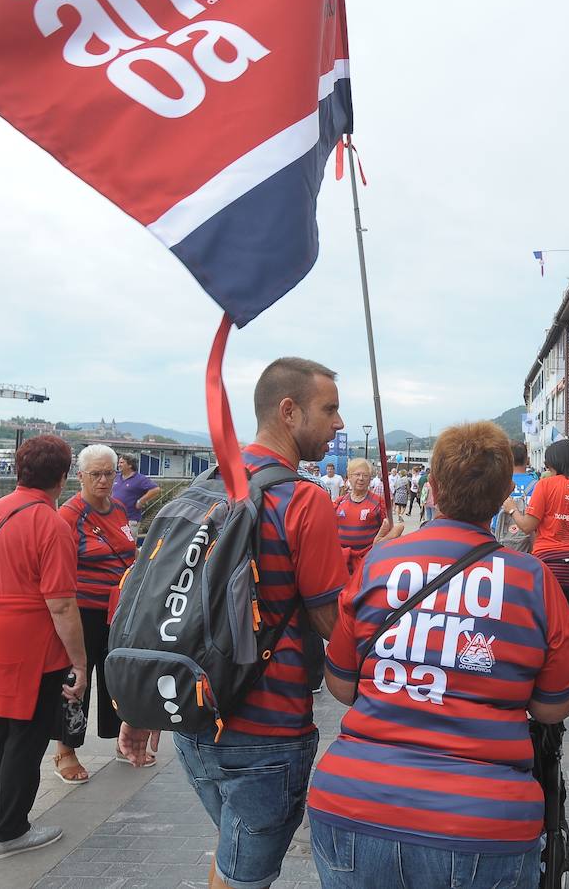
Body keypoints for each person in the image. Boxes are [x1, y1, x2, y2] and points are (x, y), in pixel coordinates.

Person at [307, 421, 569, 889]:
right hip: (484, 819)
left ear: (432, 489)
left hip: (353, 801)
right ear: (503, 495)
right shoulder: (532, 580)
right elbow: (554, 704)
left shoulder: (380, 563)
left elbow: (341, 685)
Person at [118, 357, 349, 889]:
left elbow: (162, 597)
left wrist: (145, 703)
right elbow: (328, 619)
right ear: (288, 411)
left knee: (232, 855)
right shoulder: (302, 499)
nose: (339, 424)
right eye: (330, 409)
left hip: (195, 719)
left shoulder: (211, 483)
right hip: (266, 732)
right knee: (244, 873)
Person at [0, 434, 87, 860]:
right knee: (28, 734)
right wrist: (80, 663)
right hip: (31, 638)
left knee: (1, 726)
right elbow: (62, 604)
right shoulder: (51, 524)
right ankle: (11, 830)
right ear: (64, 476)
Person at [51, 444, 139, 783]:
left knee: (118, 676)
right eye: (96, 474)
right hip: (83, 609)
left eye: (109, 473)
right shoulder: (69, 515)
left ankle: (123, 739)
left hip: (117, 610)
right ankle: (66, 750)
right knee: (77, 681)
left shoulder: (118, 509)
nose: (103, 481)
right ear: (80, 477)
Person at [500, 439, 569, 667]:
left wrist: (512, 510)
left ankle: (548, 682)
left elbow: (527, 526)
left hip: (549, 566)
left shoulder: (545, 486)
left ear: (552, 463)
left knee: (545, 627)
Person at [333, 457, 392, 584]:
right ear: (349, 477)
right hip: (342, 561)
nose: (361, 478)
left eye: (365, 475)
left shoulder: (378, 502)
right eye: (357, 474)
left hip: (367, 562)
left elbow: (390, 531)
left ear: (370, 478)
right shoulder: (339, 502)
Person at [493, 440, 537, 541]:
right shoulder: (538, 485)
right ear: (527, 460)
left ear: (507, 459)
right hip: (528, 541)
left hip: (501, 539)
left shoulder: (498, 484)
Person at [112, 453, 159, 539]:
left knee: (129, 546)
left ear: (130, 465)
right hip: (114, 518)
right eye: (119, 462)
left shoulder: (140, 479)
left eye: (122, 463)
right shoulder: (116, 477)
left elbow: (155, 489)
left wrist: (141, 501)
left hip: (130, 519)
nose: (119, 465)